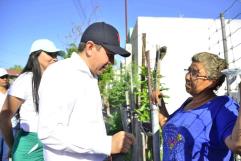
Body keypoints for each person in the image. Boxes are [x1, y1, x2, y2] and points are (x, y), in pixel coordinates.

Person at [37, 22, 135, 161]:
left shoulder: (90, 76)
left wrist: (104, 153)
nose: (112, 62)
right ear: (90, 47)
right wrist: (106, 144)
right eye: (110, 54)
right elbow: (49, 132)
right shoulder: (61, 73)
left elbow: (86, 125)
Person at [152, 52, 241, 161]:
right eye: (189, 70)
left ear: (212, 81)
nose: (187, 77)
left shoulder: (222, 106)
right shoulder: (188, 103)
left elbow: (237, 145)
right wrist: (160, 103)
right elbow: (170, 128)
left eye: (194, 73)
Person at [0, 39, 62, 161]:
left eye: (56, 55)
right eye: (50, 54)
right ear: (35, 55)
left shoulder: (54, 80)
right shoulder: (25, 80)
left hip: (53, 144)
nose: (55, 58)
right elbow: (4, 117)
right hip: (30, 146)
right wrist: (13, 147)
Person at [0, 68, 10, 161]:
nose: (5, 79)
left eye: (6, 77)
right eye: (2, 77)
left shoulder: (12, 91)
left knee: (6, 155)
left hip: (12, 126)